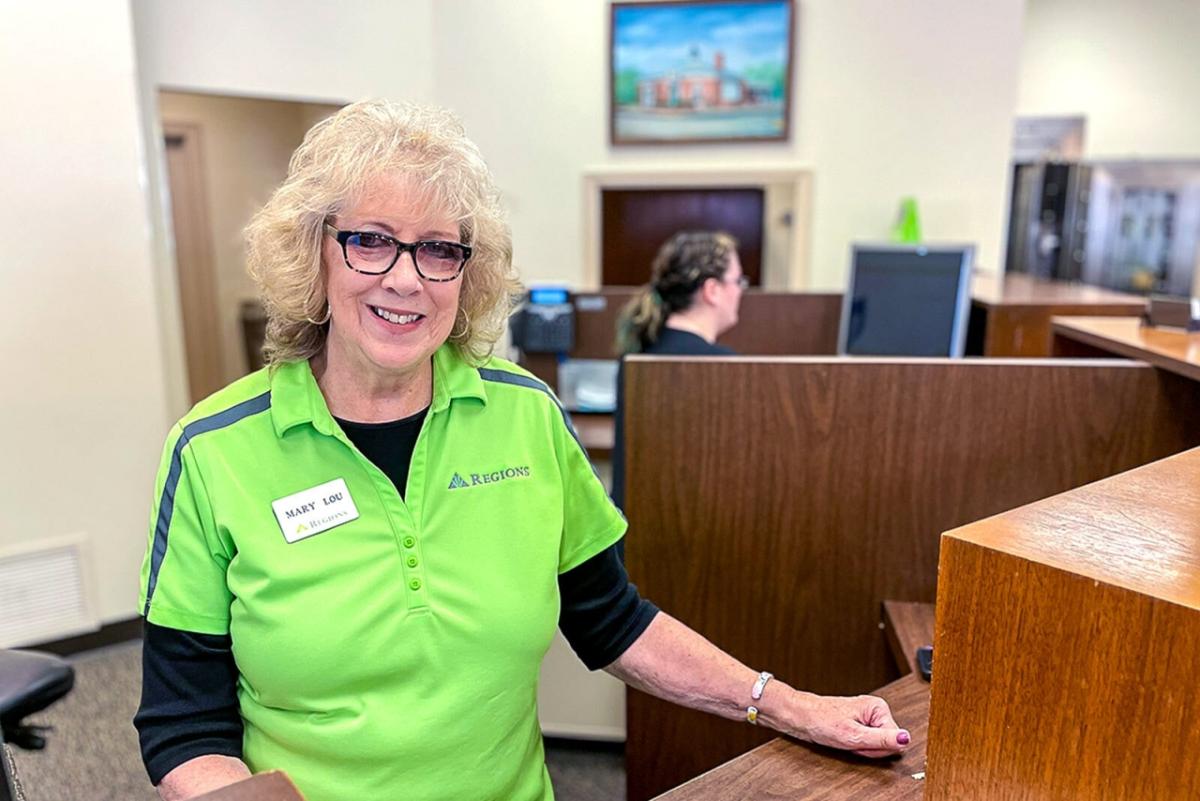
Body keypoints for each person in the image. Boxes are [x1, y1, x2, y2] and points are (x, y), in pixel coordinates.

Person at [134, 100, 909, 801]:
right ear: (316, 253)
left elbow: (614, 622)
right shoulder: (212, 451)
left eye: (439, 250)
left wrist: (792, 704)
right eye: (370, 241)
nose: (406, 280)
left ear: (467, 275)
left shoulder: (526, 415)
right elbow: (183, 725)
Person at [611, 231, 746, 512]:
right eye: (737, 281)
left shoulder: (636, 355)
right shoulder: (724, 368)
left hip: (633, 537)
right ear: (712, 290)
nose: (740, 291)